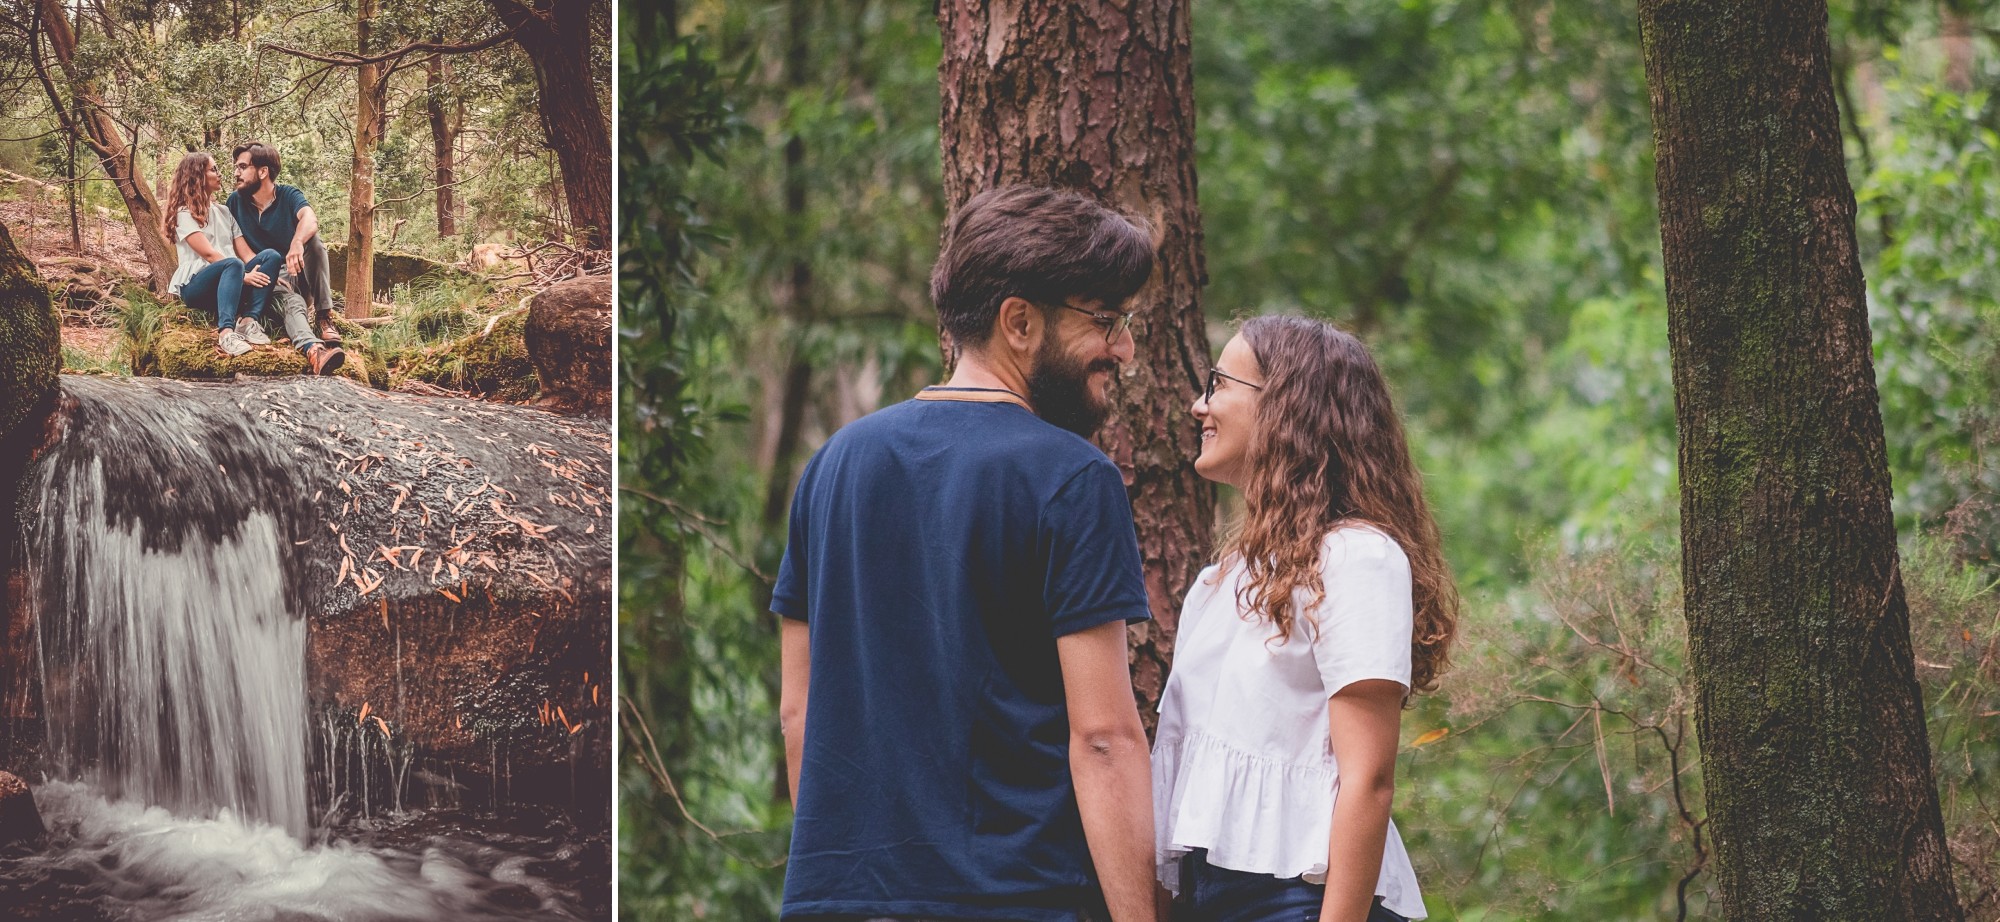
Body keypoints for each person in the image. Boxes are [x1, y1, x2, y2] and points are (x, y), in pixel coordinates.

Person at [774, 185, 1159, 922]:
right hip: (1015, 899)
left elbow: (800, 713)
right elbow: (1104, 738)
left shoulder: (831, 467)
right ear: (1020, 321)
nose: (1125, 349)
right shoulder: (1072, 479)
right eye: (1106, 321)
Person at [1153, 316, 1459, 922]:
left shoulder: (1355, 559)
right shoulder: (1218, 583)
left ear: (1285, 408)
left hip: (1306, 898)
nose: (1198, 405)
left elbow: (1368, 779)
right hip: (1209, 896)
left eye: (1218, 384)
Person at [226, 141, 347, 375]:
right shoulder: (235, 202)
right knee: (292, 302)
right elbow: (237, 248)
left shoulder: (288, 195)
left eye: (242, 167)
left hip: (298, 272)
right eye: (236, 167)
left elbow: (310, 219)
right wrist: (267, 273)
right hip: (266, 278)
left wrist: (296, 243)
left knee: (314, 242)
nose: (236, 173)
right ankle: (314, 351)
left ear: (263, 172)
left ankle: (324, 316)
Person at [162, 151, 281, 356]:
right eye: (213, 169)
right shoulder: (183, 213)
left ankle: (247, 321)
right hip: (197, 286)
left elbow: (246, 254)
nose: (220, 174)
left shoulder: (224, 212)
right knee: (232, 264)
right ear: (197, 175)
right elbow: (209, 255)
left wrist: (268, 272)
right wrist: (244, 276)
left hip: (232, 280)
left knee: (271, 256)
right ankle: (226, 332)